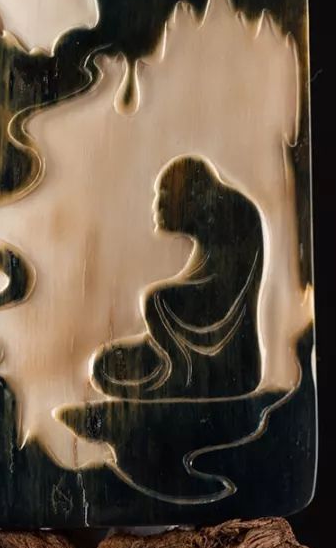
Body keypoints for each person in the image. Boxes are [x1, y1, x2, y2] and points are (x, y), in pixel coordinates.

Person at [92, 155, 264, 399]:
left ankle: (184, 373)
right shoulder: (217, 220)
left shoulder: (232, 213)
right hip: (207, 331)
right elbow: (200, 277)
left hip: (231, 356)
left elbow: (220, 292)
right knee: (107, 363)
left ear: (192, 197)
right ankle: (177, 367)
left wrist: (166, 308)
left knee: (156, 301)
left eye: (164, 194)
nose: (157, 205)